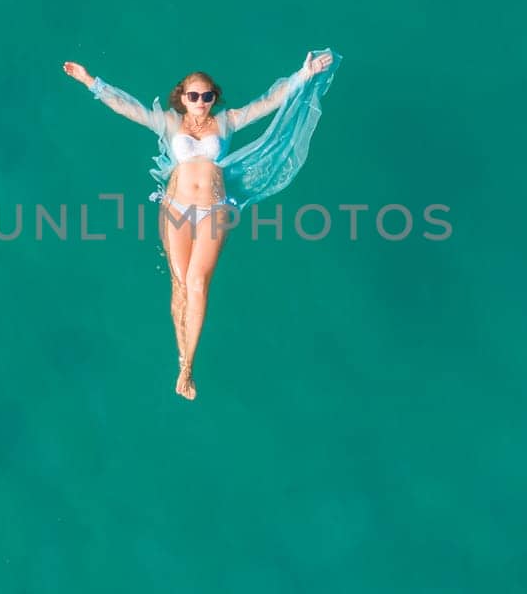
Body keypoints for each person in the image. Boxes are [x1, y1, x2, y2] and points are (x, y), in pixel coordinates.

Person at [63, 49, 339, 400]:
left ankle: (188, 366)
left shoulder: (226, 121)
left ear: (214, 98)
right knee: (179, 283)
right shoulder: (169, 122)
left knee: (197, 282)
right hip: (175, 207)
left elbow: (269, 101)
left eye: (208, 96)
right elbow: (127, 107)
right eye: (193, 96)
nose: (201, 102)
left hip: (214, 210)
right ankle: (181, 356)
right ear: (181, 97)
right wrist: (90, 80)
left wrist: (305, 73)